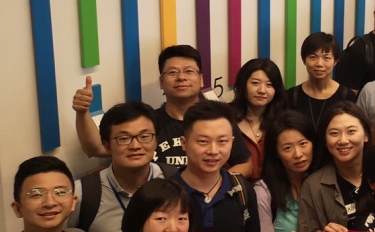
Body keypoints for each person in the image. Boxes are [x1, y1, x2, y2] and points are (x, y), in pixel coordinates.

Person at [71, 44, 249, 172]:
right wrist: (82, 112)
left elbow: (245, 164)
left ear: (201, 80)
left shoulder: (218, 120)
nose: (181, 77)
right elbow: (95, 148)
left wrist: (217, 185)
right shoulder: (148, 122)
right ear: (161, 82)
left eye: (189, 71)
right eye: (172, 72)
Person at [67, 101, 166, 232]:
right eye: (124, 139)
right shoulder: (83, 193)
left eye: (144, 136)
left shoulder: (172, 181)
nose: (135, 146)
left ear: (156, 140)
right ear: (106, 145)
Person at [173, 101, 259, 232]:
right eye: (203, 141)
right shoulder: (165, 193)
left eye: (222, 141)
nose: (213, 151)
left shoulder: (243, 190)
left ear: (232, 142)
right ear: (184, 143)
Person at [298, 103, 369, 232]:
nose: (343, 140)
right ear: (325, 140)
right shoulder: (313, 185)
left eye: (351, 131)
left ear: (366, 135)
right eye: (334, 133)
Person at [258, 110, 319, 232]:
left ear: (313, 144)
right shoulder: (264, 192)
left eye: (303, 144)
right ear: (276, 153)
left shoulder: (325, 182)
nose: (298, 154)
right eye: (287, 148)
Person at [229, 57, 287, 180]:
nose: (262, 90)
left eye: (269, 85)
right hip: (235, 188)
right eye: (255, 83)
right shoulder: (225, 118)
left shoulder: (282, 122)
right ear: (243, 84)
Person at [287, 32, 349, 137]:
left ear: (335, 61)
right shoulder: (291, 96)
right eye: (313, 57)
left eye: (326, 58)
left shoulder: (346, 96)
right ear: (304, 60)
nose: (319, 64)